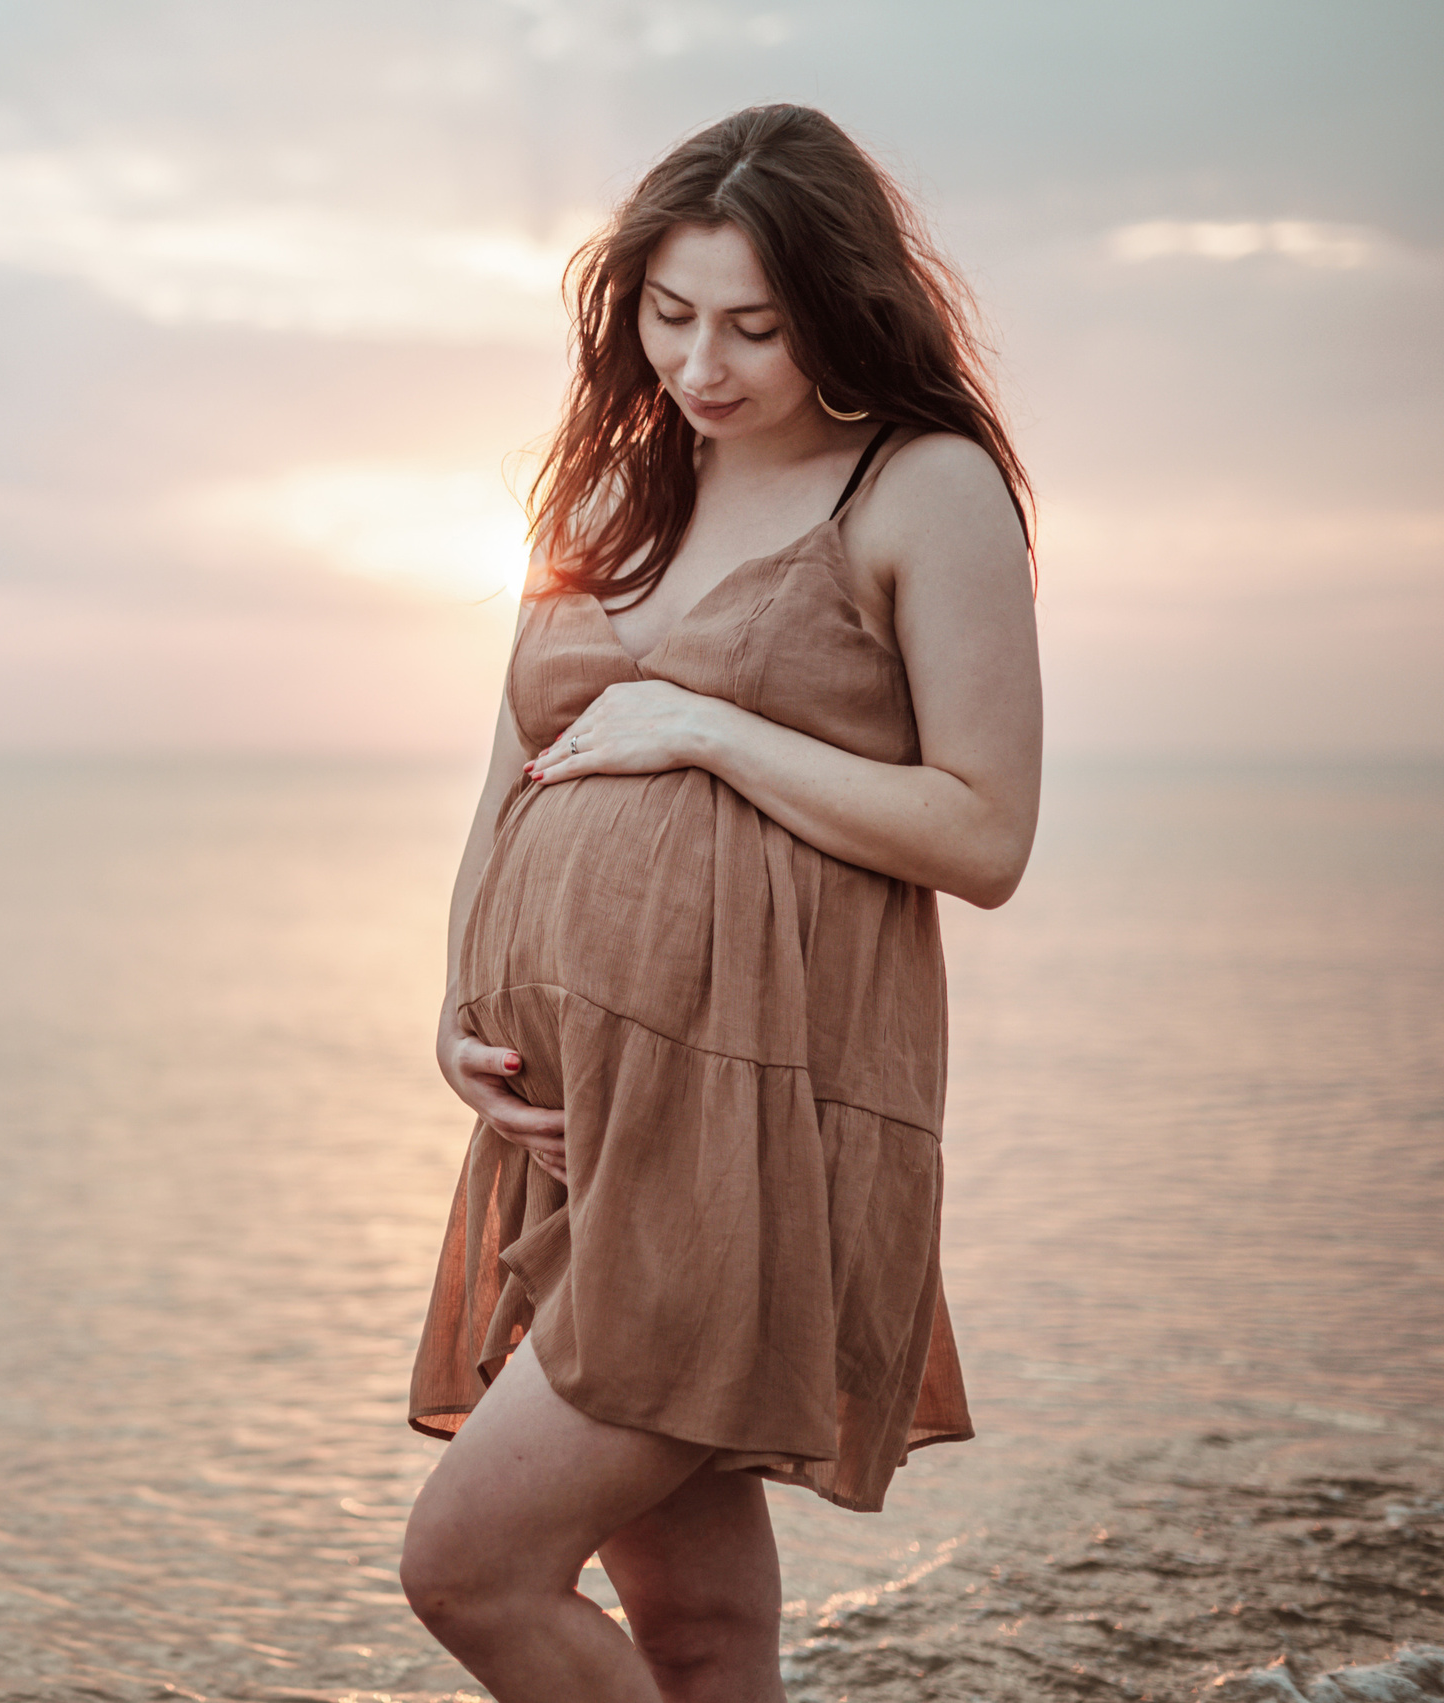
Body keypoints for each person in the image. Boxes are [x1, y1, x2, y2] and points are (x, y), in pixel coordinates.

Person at [396, 104, 1042, 1703]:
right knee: (699, 1641)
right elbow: (511, 785)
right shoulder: (609, 501)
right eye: (669, 316)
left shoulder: (917, 488)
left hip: (749, 1140)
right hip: (574, 1128)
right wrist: (456, 1012)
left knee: (470, 1572)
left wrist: (711, 725)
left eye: (753, 323)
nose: (703, 361)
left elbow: (985, 831)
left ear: (843, 303)